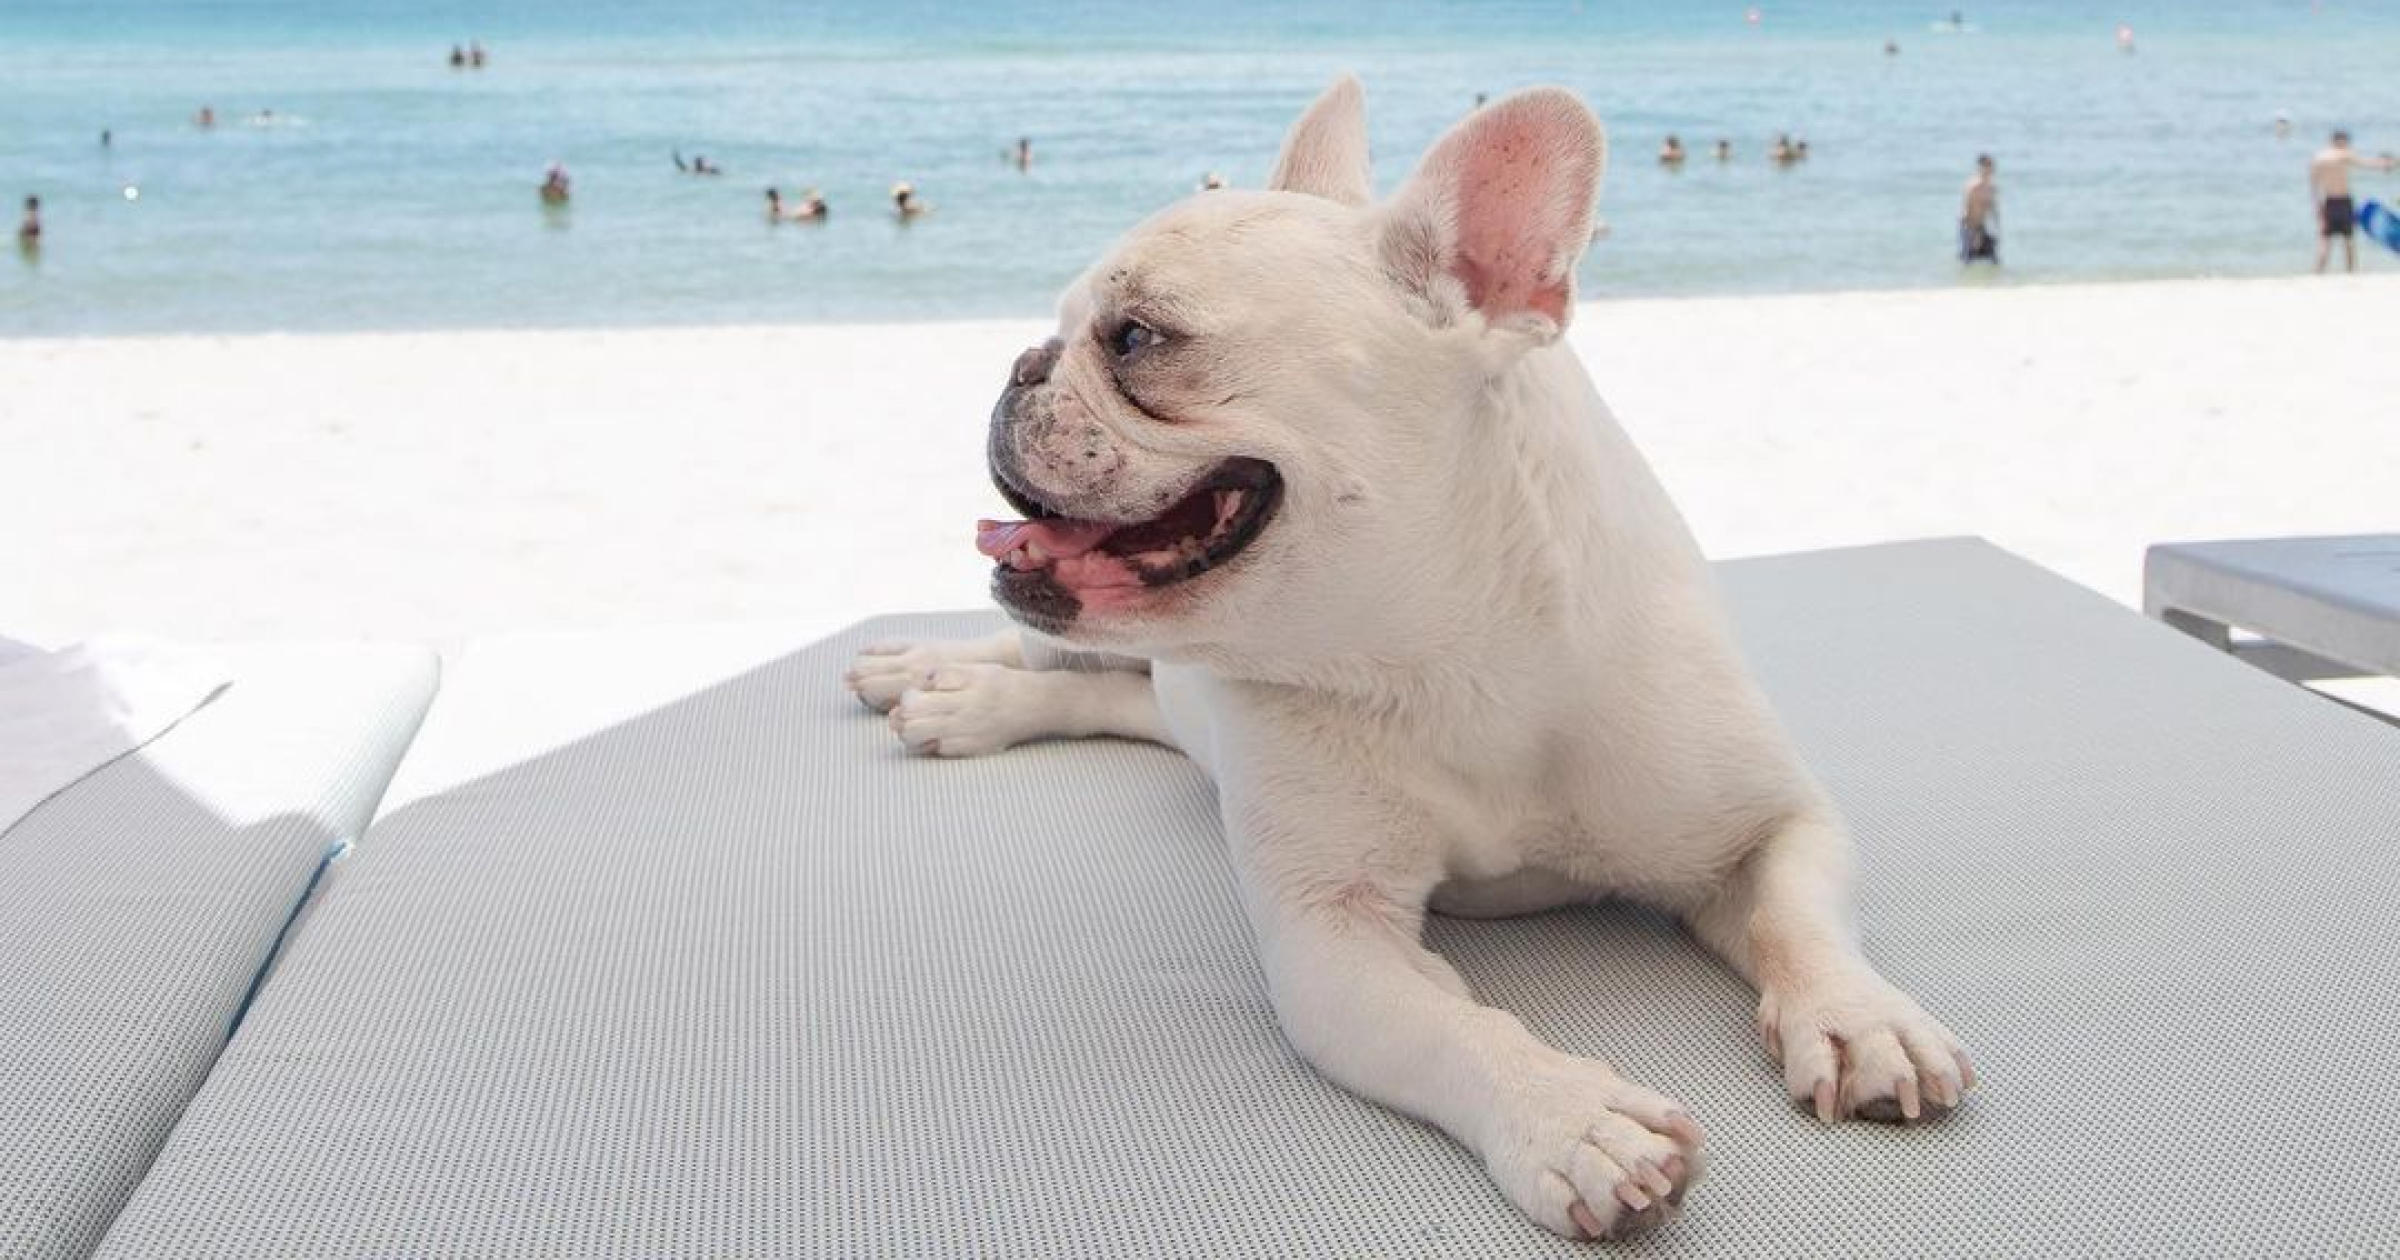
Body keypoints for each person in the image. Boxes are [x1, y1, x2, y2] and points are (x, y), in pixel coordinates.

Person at [2312, 130, 2397, 273]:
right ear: (2340, 141)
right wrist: (2387, 164)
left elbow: (2314, 186)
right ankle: (2350, 272)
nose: (2347, 146)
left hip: (2329, 202)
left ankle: (2317, 273)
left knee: (2325, 241)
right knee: (2349, 241)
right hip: (2344, 201)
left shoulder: (2318, 158)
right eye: (2346, 143)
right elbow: (2365, 163)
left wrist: (2318, 207)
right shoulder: (2343, 154)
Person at [1959, 153, 2000, 264]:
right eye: (1987, 165)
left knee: (1994, 259)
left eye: (1991, 165)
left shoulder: (1992, 187)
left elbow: (1992, 208)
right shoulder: (1973, 187)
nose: (1991, 168)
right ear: (1980, 168)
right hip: (1968, 225)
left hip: (1982, 226)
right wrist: (1975, 233)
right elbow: (1967, 211)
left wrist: (1996, 229)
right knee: (1968, 258)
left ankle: (1994, 280)